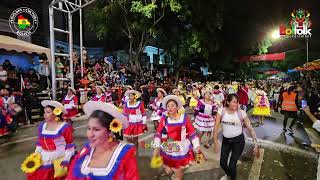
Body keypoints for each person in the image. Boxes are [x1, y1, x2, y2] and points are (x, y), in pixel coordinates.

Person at [66, 101, 139, 180]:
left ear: (111, 131)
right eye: (89, 128)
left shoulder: (124, 155)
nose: (90, 135)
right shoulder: (86, 151)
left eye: (96, 130)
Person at [152, 95, 201, 180]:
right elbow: (158, 133)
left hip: (181, 149)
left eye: (172, 105)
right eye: (168, 106)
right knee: (168, 171)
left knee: (178, 173)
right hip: (167, 148)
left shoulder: (184, 118)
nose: (170, 108)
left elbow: (192, 133)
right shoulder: (164, 118)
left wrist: (196, 146)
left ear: (177, 107)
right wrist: (156, 147)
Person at [26, 100, 75, 180]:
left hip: (59, 158)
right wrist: (36, 154)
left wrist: (66, 160)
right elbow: (40, 143)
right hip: (44, 157)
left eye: (48, 112)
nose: (45, 114)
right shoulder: (42, 126)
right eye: (44, 112)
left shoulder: (64, 127)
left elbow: (69, 146)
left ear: (55, 113)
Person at [213, 94, 258, 180]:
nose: (236, 104)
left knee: (232, 165)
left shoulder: (241, 112)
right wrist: (215, 142)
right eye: (234, 102)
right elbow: (216, 128)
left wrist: (256, 143)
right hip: (226, 141)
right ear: (228, 102)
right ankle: (228, 174)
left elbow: (250, 128)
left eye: (237, 102)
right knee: (222, 163)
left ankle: (232, 177)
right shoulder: (221, 111)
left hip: (238, 142)